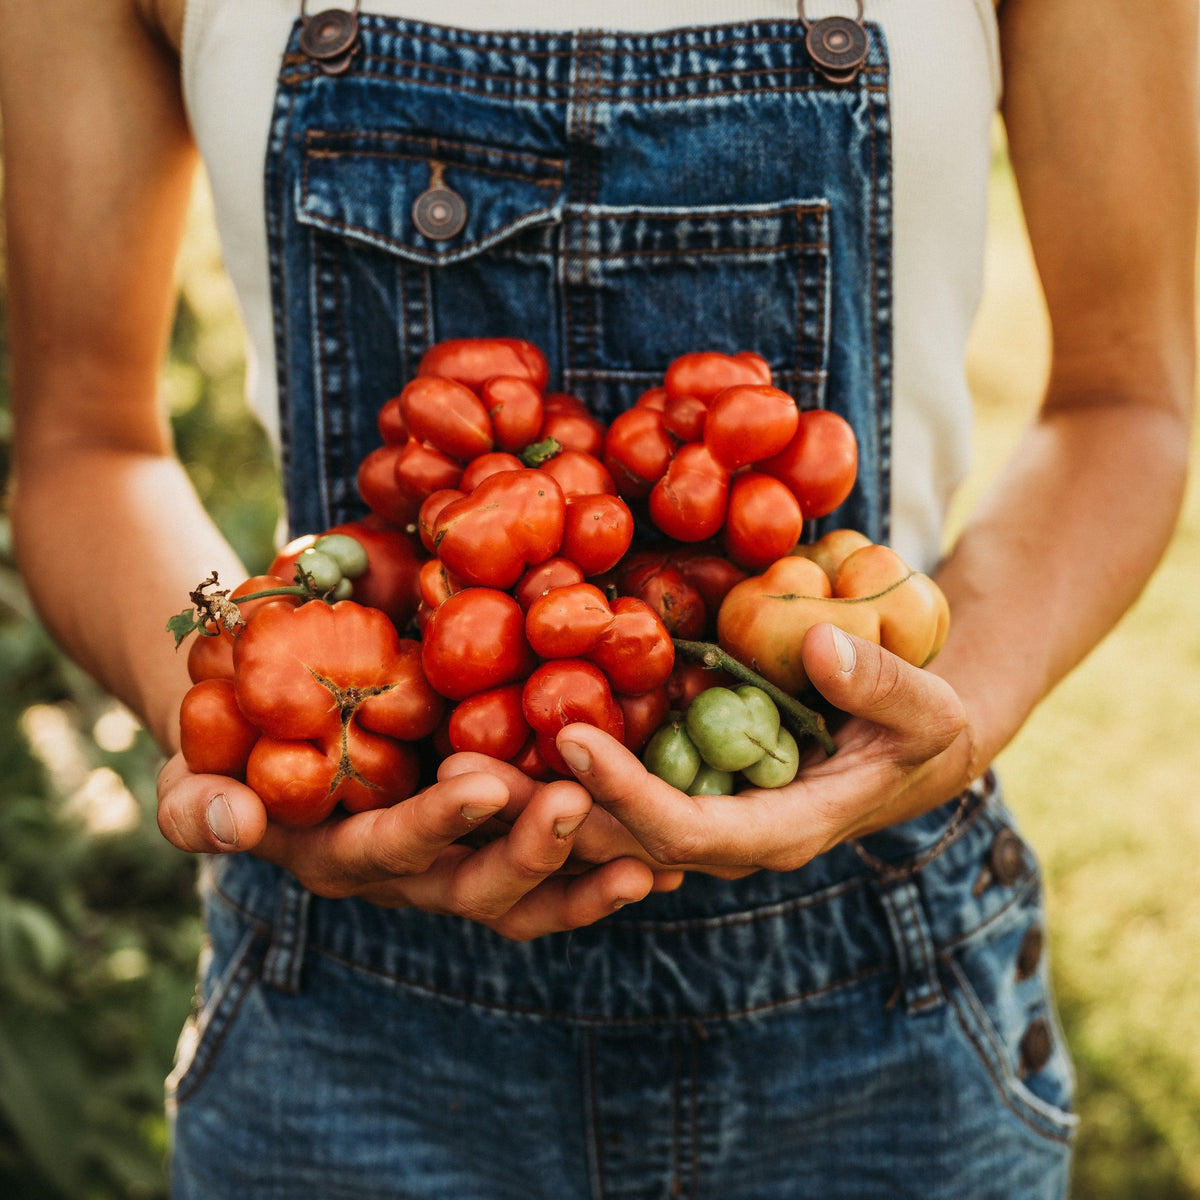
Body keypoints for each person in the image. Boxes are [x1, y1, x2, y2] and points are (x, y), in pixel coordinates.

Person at [0, 0, 1194, 1196]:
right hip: (350, 1015)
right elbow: (84, 444)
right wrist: (249, 730)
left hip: (879, 986)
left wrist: (950, 706)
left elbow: (1126, 399)